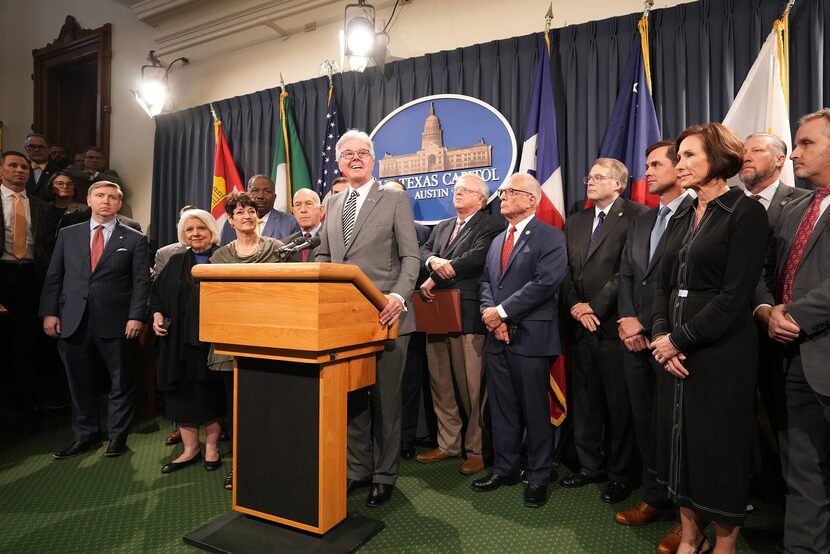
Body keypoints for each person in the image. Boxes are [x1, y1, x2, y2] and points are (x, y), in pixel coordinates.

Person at [650, 122, 767, 553]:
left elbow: (735, 297)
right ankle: (691, 534)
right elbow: (662, 284)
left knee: (719, 449)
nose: (679, 165)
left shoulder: (746, 212)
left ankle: (724, 543)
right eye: (678, 158)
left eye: (688, 156)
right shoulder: (682, 212)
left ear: (718, 159)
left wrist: (678, 340)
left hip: (721, 355)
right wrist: (662, 336)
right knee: (678, 442)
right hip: (673, 352)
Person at [316, 129, 420, 507]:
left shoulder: (393, 199)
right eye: (348, 154)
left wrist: (397, 295)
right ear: (340, 162)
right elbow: (325, 257)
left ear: (373, 160)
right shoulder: (333, 201)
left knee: (386, 403)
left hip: (387, 319)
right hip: (343, 322)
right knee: (354, 400)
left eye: (363, 153)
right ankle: (357, 469)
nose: (355, 158)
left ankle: (384, 474)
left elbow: (412, 257)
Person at [754, 108, 830, 553]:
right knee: (803, 472)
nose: (795, 152)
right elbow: (764, 271)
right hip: (792, 361)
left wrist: (796, 313)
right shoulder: (795, 206)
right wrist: (767, 310)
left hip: (817, 346)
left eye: (805, 144)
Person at [471, 173, 567, 508]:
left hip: (532, 337)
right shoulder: (499, 239)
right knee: (502, 407)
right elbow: (486, 281)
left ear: (531, 199)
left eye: (510, 192)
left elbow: (546, 283)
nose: (502, 198)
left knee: (535, 409)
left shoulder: (550, 236)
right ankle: (506, 468)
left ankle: (539, 475)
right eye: (502, 193)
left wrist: (501, 312)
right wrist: (489, 313)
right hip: (498, 337)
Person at [615, 141, 693, 546]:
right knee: (645, 424)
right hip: (634, 341)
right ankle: (656, 497)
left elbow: (683, 283)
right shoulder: (643, 218)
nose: (646, 171)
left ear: (680, 166)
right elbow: (629, 274)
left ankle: (687, 515)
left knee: (678, 430)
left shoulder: (698, 213)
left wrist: (647, 325)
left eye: (655, 164)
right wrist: (628, 321)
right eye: (646, 164)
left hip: (672, 341)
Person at [40, 180, 150, 459]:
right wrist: (49, 312)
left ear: (118, 203)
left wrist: (136, 316)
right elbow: (55, 276)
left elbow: (140, 283)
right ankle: (85, 437)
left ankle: (117, 437)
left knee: (120, 382)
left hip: (117, 322)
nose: (106, 201)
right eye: (100, 195)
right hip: (72, 319)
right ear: (88, 200)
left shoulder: (134, 238)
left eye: (112, 197)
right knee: (79, 383)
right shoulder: (68, 234)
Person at [560, 158, 648, 503]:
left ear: (619, 184)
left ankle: (620, 474)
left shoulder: (638, 216)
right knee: (585, 401)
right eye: (589, 176)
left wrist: (593, 306)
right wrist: (575, 306)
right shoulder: (575, 221)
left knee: (619, 406)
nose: (590, 182)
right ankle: (588, 466)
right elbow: (564, 271)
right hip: (579, 328)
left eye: (598, 177)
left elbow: (628, 269)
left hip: (614, 326)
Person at [417, 173, 504, 475]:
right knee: (440, 382)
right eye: (455, 190)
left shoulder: (491, 224)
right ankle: (448, 442)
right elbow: (424, 251)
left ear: (480, 199)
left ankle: (477, 449)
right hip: (435, 311)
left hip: (467, 314)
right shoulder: (441, 226)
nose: (457, 194)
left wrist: (438, 272)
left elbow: (476, 258)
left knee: (472, 386)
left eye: (464, 190)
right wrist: (432, 263)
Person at [210, 191, 287, 489]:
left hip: (271, 342)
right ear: (229, 220)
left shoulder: (278, 249)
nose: (247, 216)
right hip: (232, 345)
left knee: (271, 407)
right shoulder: (219, 257)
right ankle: (241, 466)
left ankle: (273, 461)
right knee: (238, 409)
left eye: (251, 211)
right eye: (240, 212)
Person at [149, 209, 225, 474]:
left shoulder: (223, 258)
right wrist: (157, 314)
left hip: (212, 344)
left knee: (210, 394)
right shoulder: (175, 261)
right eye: (190, 230)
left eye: (201, 228)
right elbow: (156, 295)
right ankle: (190, 450)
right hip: (176, 343)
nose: (195, 234)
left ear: (211, 231)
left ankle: (212, 448)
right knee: (180, 395)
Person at [0, 150, 59, 429]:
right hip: (2, 274)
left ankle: (27, 405)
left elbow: (47, 248)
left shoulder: (42, 206)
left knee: (27, 343)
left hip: (32, 278)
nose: (20, 171)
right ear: (1, 171)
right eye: (13, 166)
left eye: (24, 167)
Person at [739, 133, 808, 225]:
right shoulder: (722, 201)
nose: (745, 158)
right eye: (742, 153)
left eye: (757, 150)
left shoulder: (805, 200)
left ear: (779, 160)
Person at [219, 174, 298, 245]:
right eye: (255, 191)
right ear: (247, 195)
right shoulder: (231, 223)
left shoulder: (290, 222)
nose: (260, 196)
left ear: (274, 197)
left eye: (267, 191)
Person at [281, 188, 323, 262]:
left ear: (321, 209)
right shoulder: (285, 244)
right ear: (294, 212)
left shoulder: (332, 239)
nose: (303, 210)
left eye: (308, 204)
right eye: (298, 205)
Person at [24, 133, 60, 201]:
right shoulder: (20, 170)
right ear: (26, 149)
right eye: (32, 146)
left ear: (49, 150)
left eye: (41, 147)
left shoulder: (58, 172)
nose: (37, 150)